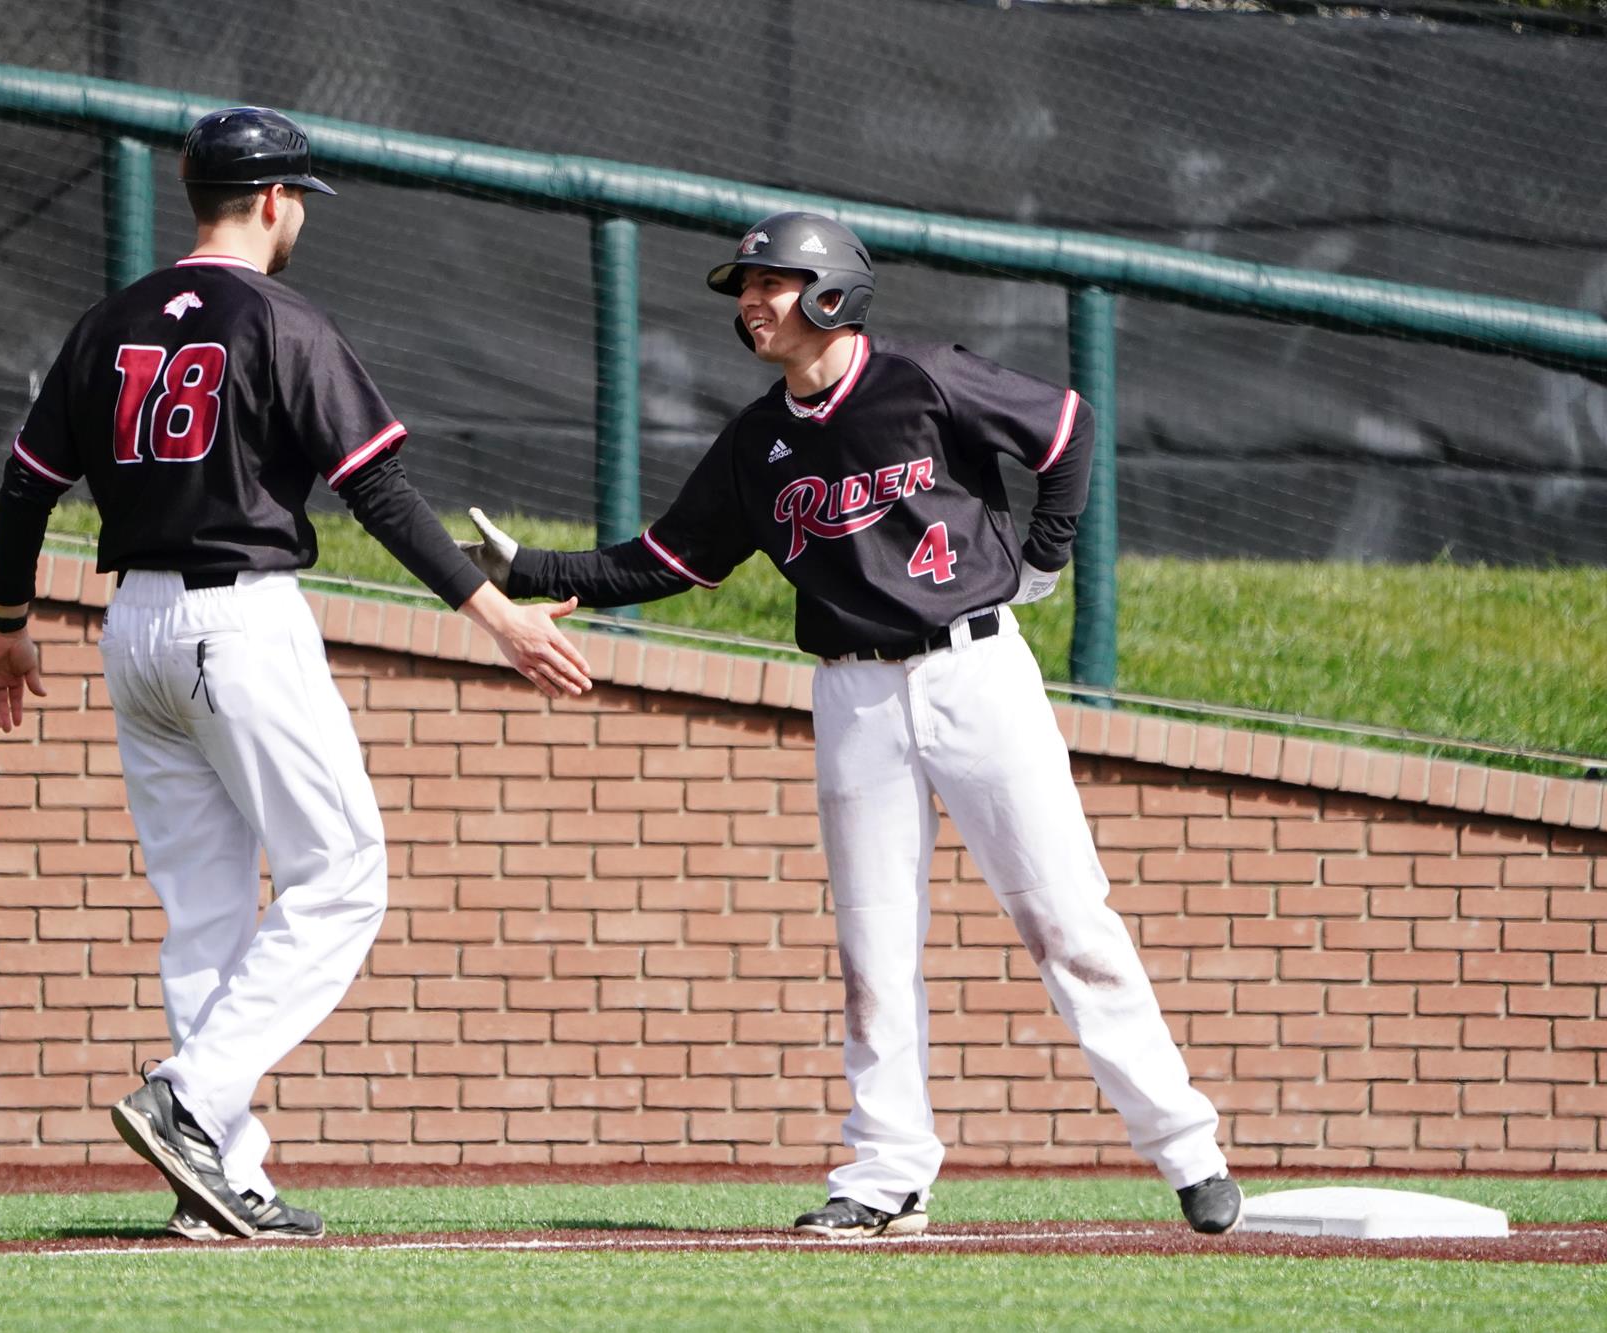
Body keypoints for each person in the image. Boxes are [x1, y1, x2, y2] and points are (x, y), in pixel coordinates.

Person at [459, 211, 1241, 1238]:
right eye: (745, 287)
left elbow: (1065, 428)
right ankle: (884, 1175)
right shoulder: (757, 441)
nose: (750, 301)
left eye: (769, 282)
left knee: (1066, 919)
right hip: (852, 695)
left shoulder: (923, 378)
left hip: (975, 672)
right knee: (872, 947)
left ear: (831, 291)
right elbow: (669, 558)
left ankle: (1186, 1149)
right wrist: (528, 571)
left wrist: (1044, 557)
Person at [0, 106, 593, 1241]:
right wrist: (495, 612)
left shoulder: (109, 320)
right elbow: (377, 490)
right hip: (238, 621)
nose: (299, 214)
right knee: (342, 874)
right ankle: (189, 1100)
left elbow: (26, 483)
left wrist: (8, 622)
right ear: (272, 200)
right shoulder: (279, 316)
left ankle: (217, 1180)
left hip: (133, 627)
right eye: (298, 197)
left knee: (204, 914)